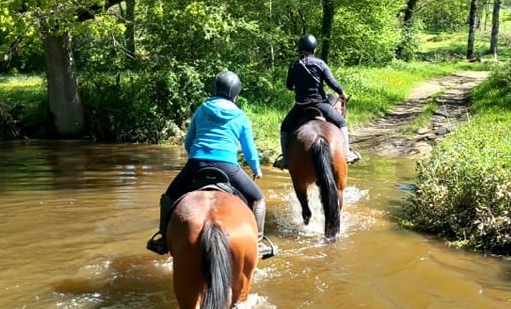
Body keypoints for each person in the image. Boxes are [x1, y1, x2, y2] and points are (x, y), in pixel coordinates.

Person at [146, 70, 274, 258]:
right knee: (257, 198)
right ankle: (259, 242)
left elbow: (188, 142)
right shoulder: (240, 116)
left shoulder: (202, 109)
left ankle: (164, 239)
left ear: (215, 89)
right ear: (235, 95)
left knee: (169, 196)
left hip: (197, 164)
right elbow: (249, 150)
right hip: (228, 167)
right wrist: (257, 170)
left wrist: (197, 158)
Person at [273, 33, 361, 169]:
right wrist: (342, 93)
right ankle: (347, 153)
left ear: (299, 49)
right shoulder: (320, 63)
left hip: (301, 106)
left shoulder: (294, 65)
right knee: (342, 122)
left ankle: (285, 159)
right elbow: (331, 82)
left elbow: (289, 86)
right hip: (321, 104)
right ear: (314, 49)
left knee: (284, 127)